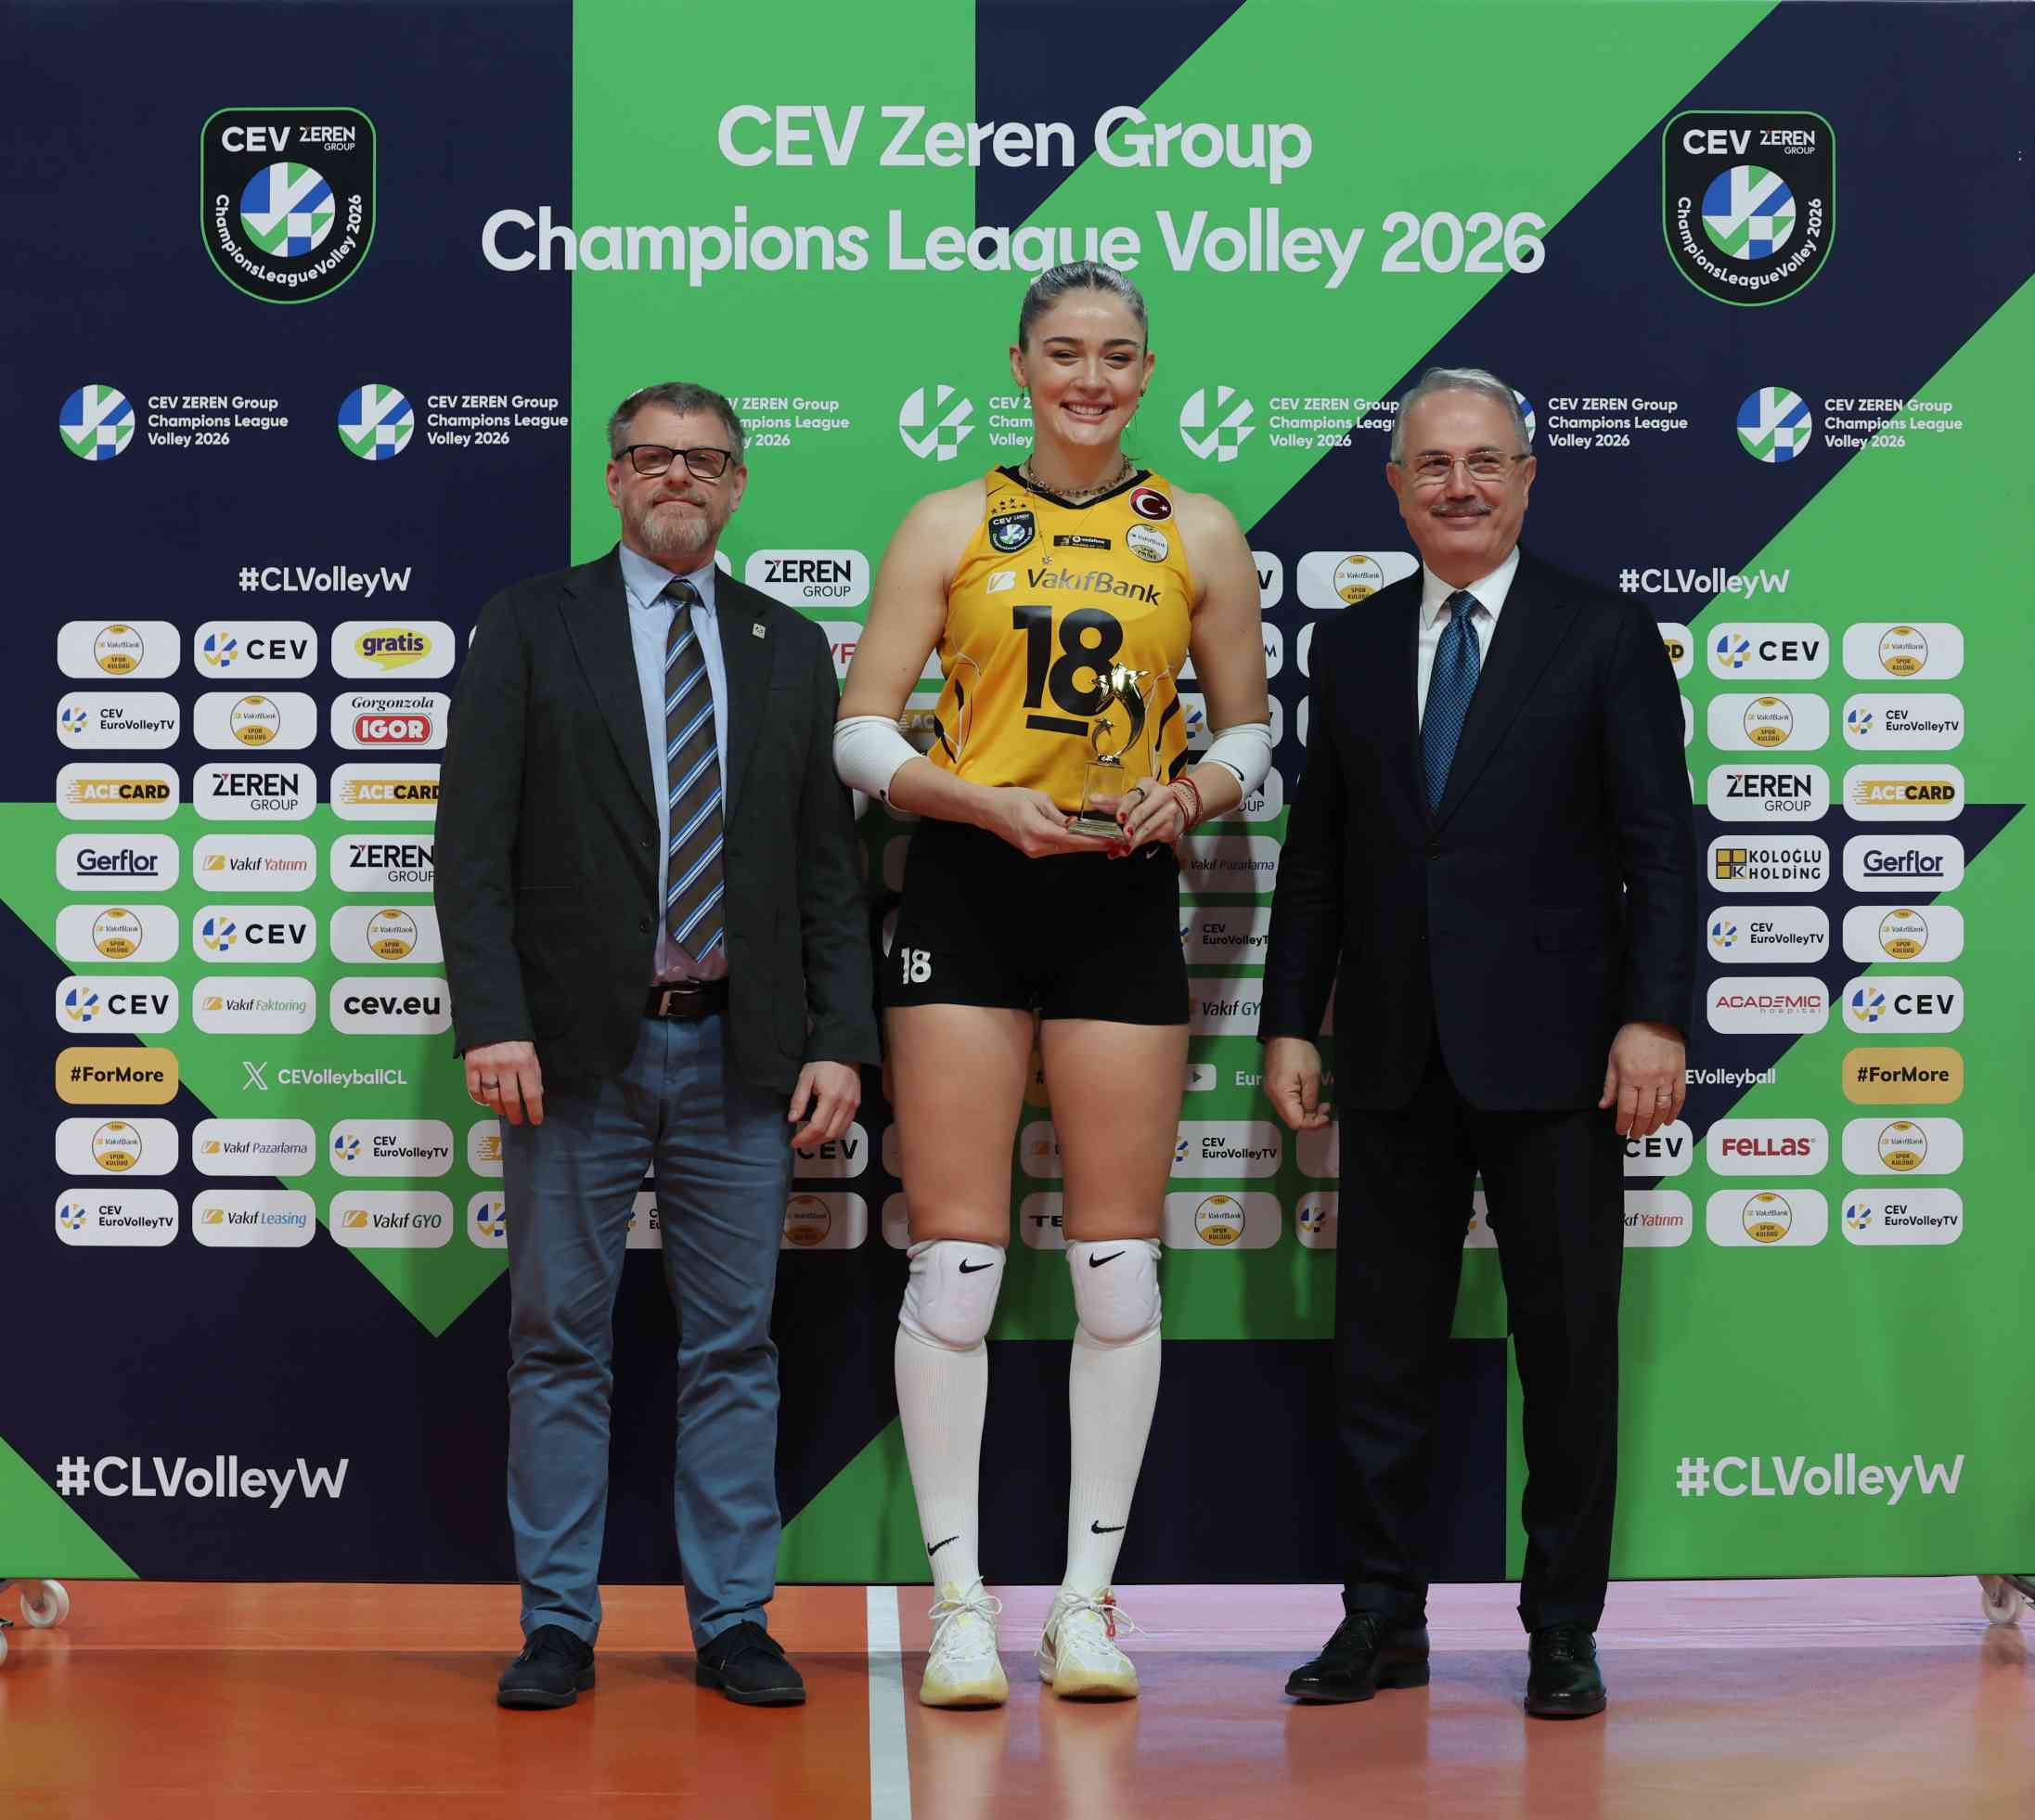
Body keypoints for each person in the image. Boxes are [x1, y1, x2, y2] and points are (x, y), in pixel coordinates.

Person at [834, 262, 1271, 1707]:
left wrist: (1194, 789)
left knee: (1118, 1268)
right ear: (1018, 366)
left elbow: (1249, 729)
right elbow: (858, 731)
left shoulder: (1196, 529)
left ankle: (1085, 1606)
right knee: (954, 1270)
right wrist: (971, 801)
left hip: (1119, 895)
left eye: (1117, 355)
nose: (1091, 377)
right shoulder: (947, 519)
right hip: (968, 886)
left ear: (1147, 372)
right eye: (1065, 352)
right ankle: (960, 1605)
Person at [1259, 367, 1696, 1719]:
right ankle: (1380, 1617)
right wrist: (1290, 1018)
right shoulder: (1350, 644)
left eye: (1484, 461)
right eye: (1433, 465)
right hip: (1392, 1052)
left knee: (1564, 1354)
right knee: (1379, 1353)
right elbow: (1318, 859)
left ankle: (1561, 1627)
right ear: (1396, 488)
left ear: (1525, 478)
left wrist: (1653, 1015)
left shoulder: (1603, 633)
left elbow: (1658, 847)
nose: (1459, 485)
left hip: (1561, 1058)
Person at [437, 381, 878, 1712]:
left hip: (741, 1053)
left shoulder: (787, 646)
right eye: (652, 457)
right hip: (575, 1054)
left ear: (739, 484)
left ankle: (733, 1619)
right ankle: (556, 1626)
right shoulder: (529, 624)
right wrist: (494, 1019)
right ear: (614, 479)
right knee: (556, 1344)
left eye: (705, 459)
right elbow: (472, 851)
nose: (678, 477)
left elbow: (825, 870)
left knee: (734, 1347)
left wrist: (838, 1038)